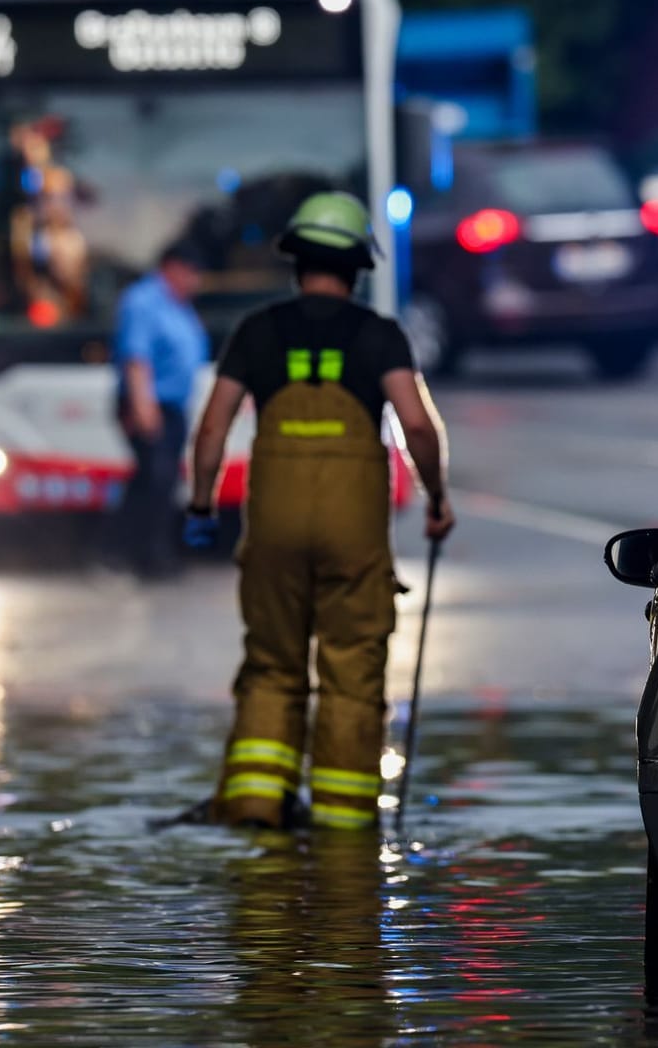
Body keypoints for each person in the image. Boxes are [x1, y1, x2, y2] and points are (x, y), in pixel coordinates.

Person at [183, 192, 456, 831]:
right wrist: (437, 497)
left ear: (295, 261)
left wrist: (200, 504)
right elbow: (416, 424)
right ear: (360, 266)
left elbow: (212, 430)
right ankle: (342, 820)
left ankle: (254, 802)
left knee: (273, 663)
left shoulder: (256, 331)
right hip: (353, 530)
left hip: (272, 526)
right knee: (352, 668)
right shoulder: (380, 334)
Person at [112, 240, 208, 577]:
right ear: (172, 268)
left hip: (171, 407)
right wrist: (144, 408)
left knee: (158, 481)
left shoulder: (178, 304)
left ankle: (133, 551)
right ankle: (147, 557)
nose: (195, 281)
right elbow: (137, 360)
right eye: (191, 273)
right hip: (149, 404)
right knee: (157, 479)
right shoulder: (144, 302)